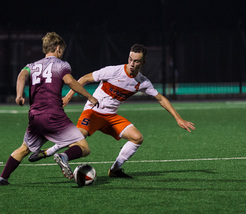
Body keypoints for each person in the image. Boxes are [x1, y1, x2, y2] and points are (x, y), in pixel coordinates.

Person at [29, 44, 195, 178]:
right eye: (130, 59)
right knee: (78, 136)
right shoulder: (113, 71)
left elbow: (161, 99)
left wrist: (178, 118)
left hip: (111, 116)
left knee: (137, 138)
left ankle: (115, 169)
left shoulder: (142, 82)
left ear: (143, 63)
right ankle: (51, 153)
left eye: (136, 61)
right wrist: (69, 96)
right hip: (93, 111)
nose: (132, 64)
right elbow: (85, 78)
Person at [0, 32, 98, 186]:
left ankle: (2, 178)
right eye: (61, 50)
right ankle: (64, 157)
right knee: (84, 147)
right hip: (54, 116)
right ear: (58, 48)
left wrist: (19, 95)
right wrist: (90, 97)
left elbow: (21, 76)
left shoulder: (32, 66)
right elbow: (70, 81)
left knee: (23, 149)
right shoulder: (62, 65)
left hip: (35, 117)